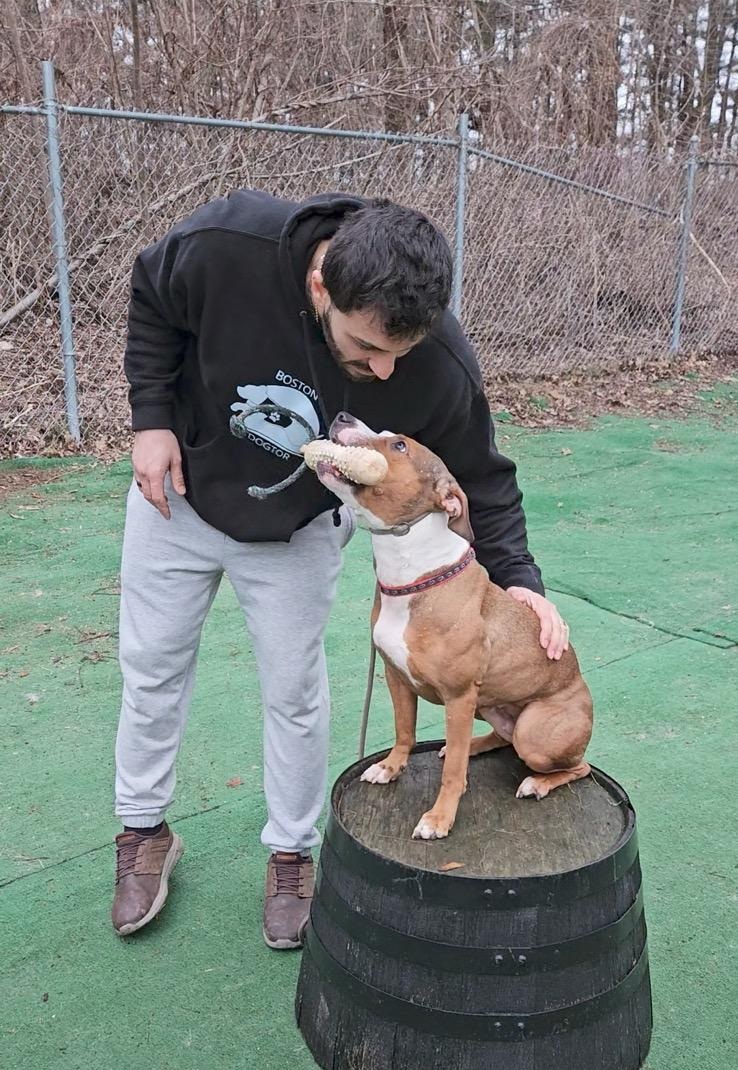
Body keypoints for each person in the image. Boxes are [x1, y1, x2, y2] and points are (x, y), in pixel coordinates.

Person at [114, 190, 569, 947]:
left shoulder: (437, 360)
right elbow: (152, 298)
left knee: (294, 693)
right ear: (321, 286)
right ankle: (143, 831)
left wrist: (521, 581)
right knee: (151, 669)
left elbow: (482, 478)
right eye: (366, 347)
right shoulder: (226, 244)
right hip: (178, 496)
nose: (384, 372)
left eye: (400, 353)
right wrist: (151, 419)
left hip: (298, 527)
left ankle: (292, 852)